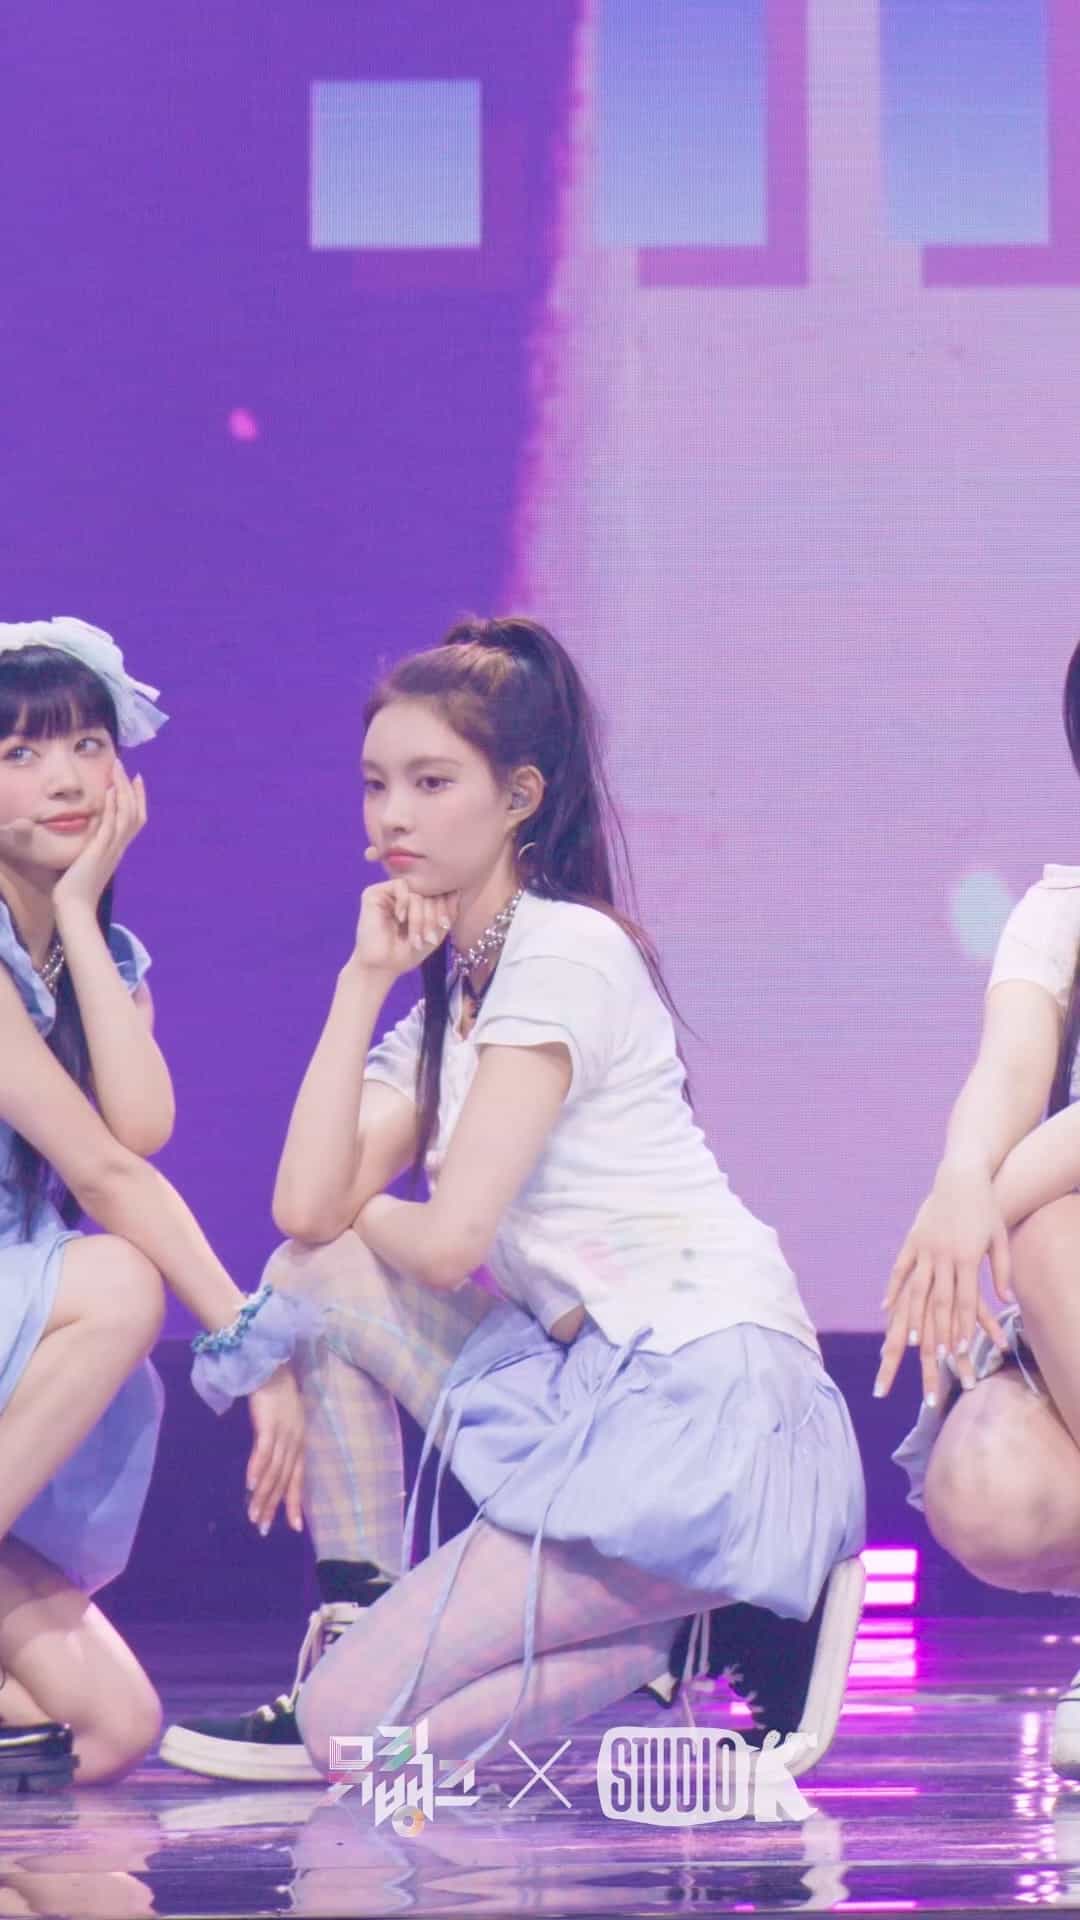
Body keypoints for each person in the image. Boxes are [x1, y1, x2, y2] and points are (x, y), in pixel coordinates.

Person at [160, 615, 866, 1788]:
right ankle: (621, 1635)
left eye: (432, 782)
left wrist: (355, 1211)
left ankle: (682, 1624)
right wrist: (361, 981)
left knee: (349, 1734)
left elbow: (446, 1245)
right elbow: (301, 1215)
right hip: (586, 1394)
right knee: (310, 1277)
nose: (393, 815)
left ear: (520, 798)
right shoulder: (451, 1001)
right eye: (376, 784)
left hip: (700, 1406)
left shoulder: (565, 953)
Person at [0, 618, 307, 1791]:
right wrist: (249, 1349)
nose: (67, 777)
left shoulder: (100, 958)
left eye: (87, 744)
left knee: (110, 1728)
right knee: (121, 1279)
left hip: (16, 1306)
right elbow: (106, 1179)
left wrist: (81, 918)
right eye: (22, 752)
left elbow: (141, 1129)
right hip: (33, 1300)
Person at [879, 634, 1080, 1779]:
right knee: (988, 1485)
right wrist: (959, 1179)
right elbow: (1009, 1069)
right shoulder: (1062, 910)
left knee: (1042, 1224)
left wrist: (983, 1204)